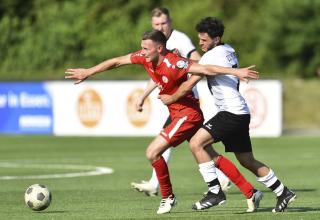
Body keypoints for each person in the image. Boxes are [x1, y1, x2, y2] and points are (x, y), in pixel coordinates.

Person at [65, 30, 259, 214]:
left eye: (146, 48)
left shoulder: (176, 63)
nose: (142, 52)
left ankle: (169, 196)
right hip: (177, 115)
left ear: (159, 48)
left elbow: (206, 68)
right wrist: (88, 72)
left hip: (188, 115)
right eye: (141, 47)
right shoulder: (144, 57)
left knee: (152, 152)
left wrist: (236, 72)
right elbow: (116, 61)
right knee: (210, 155)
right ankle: (250, 192)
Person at [159, 17, 297, 213]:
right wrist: (180, 58)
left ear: (216, 39)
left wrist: (172, 97)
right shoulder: (228, 49)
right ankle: (283, 192)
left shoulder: (211, 56)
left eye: (204, 40)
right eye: (199, 39)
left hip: (230, 113)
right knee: (247, 160)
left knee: (196, 143)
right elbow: (198, 64)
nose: (200, 43)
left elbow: (190, 81)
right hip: (239, 113)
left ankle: (215, 191)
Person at [130, 7, 231, 197]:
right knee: (196, 143)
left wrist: (183, 73)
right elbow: (159, 74)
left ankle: (156, 184)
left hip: (186, 101)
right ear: (153, 25)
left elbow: (197, 61)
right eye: (157, 24)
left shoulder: (180, 39)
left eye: (164, 23)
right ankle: (223, 175)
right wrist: (143, 95)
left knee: (167, 140)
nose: (161, 26)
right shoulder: (154, 44)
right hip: (174, 103)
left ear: (170, 22)